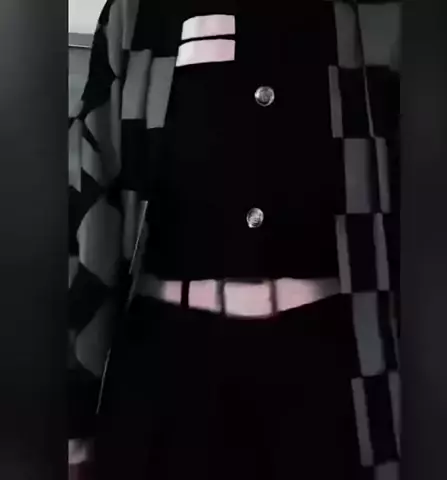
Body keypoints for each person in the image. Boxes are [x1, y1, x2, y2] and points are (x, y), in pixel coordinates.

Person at [68, 0, 401, 478]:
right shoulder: (139, 13)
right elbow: (90, 203)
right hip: (165, 382)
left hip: (331, 381)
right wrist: (74, 412)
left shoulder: (373, 18)